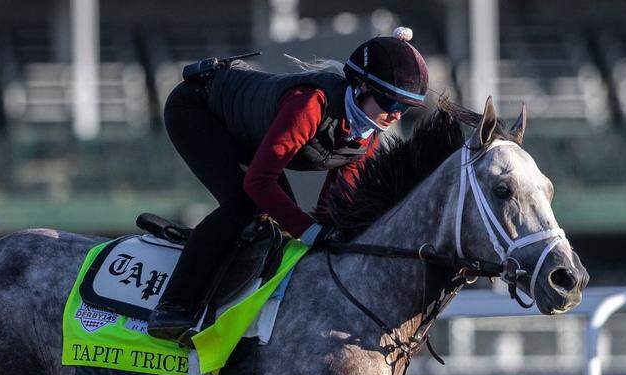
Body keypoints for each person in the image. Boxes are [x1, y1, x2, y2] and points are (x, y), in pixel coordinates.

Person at [148, 26, 430, 343]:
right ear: (361, 86)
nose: (395, 115)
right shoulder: (310, 104)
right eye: (388, 102)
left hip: (247, 132)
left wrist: (330, 235)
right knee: (246, 205)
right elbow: (258, 182)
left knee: (279, 227)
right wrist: (310, 231)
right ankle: (174, 305)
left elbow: (333, 209)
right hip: (196, 108)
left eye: (403, 107)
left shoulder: (367, 139)